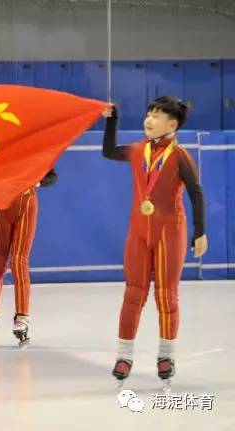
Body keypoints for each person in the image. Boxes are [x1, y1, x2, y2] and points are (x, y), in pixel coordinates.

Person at [101, 96, 208, 391]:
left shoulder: (180, 155)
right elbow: (108, 152)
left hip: (169, 232)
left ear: (172, 124)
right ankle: (124, 355)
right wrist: (112, 120)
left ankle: (166, 355)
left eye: (157, 115)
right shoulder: (138, 150)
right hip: (138, 231)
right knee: (133, 293)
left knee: (166, 294)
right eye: (148, 113)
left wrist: (200, 231)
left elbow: (196, 193)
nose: (149, 119)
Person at [0, 169, 57, 348]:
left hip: (26, 203)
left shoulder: (34, 149)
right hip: (3, 203)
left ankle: (22, 315)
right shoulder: (1, 148)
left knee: (19, 260)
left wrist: (36, 182)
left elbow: (52, 176)